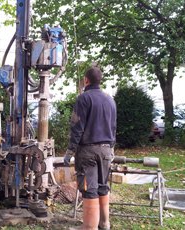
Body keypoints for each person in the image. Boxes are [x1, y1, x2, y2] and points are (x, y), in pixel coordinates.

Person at [64, 66, 116, 230]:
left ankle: (89, 227)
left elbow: (77, 127)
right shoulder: (110, 100)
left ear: (86, 80)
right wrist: (112, 148)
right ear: (100, 80)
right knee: (103, 186)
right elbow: (113, 127)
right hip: (106, 150)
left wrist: (70, 151)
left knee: (89, 188)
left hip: (88, 151)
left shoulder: (83, 99)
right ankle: (104, 223)